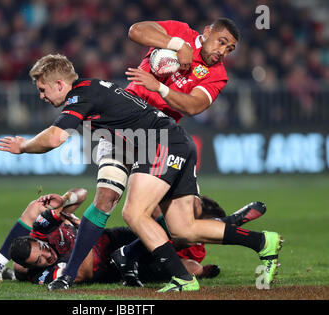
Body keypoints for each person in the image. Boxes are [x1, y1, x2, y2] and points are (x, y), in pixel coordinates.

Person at [0, 54, 283, 292]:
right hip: (177, 142)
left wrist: (23, 147)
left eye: (43, 89)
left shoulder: (80, 95)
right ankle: (262, 241)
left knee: (133, 213)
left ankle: (182, 279)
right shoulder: (94, 89)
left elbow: (56, 138)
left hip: (160, 146)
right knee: (183, 230)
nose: (41, 96)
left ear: (60, 84)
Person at [54, 18, 241, 287]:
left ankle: (129, 259)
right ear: (208, 32)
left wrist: (161, 88)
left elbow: (193, 106)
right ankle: (69, 275)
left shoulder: (217, 74)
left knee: (166, 217)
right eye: (222, 42)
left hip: (162, 138)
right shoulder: (180, 32)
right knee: (107, 197)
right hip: (123, 125)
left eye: (230, 49)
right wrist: (175, 45)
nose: (223, 51)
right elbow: (135, 31)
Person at [9, 192, 266, 285]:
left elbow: (81, 193)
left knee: (156, 215)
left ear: (37, 239)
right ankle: (225, 225)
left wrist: (64, 203)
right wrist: (80, 231)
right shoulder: (44, 277)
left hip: (117, 238)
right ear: (34, 269)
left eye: (42, 250)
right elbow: (84, 270)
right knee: (191, 267)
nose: (48, 256)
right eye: (41, 260)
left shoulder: (43, 230)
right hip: (114, 266)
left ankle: (221, 222)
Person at [0, 187, 88, 283]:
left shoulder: (60, 220)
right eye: (39, 260)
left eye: (44, 249)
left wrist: (63, 200)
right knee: (20, 265)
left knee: (36, 207)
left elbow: (82, 192)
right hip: (82, 260)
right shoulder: (42, 263)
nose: (48, 256)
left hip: (99, 246)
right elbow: (78, 274)